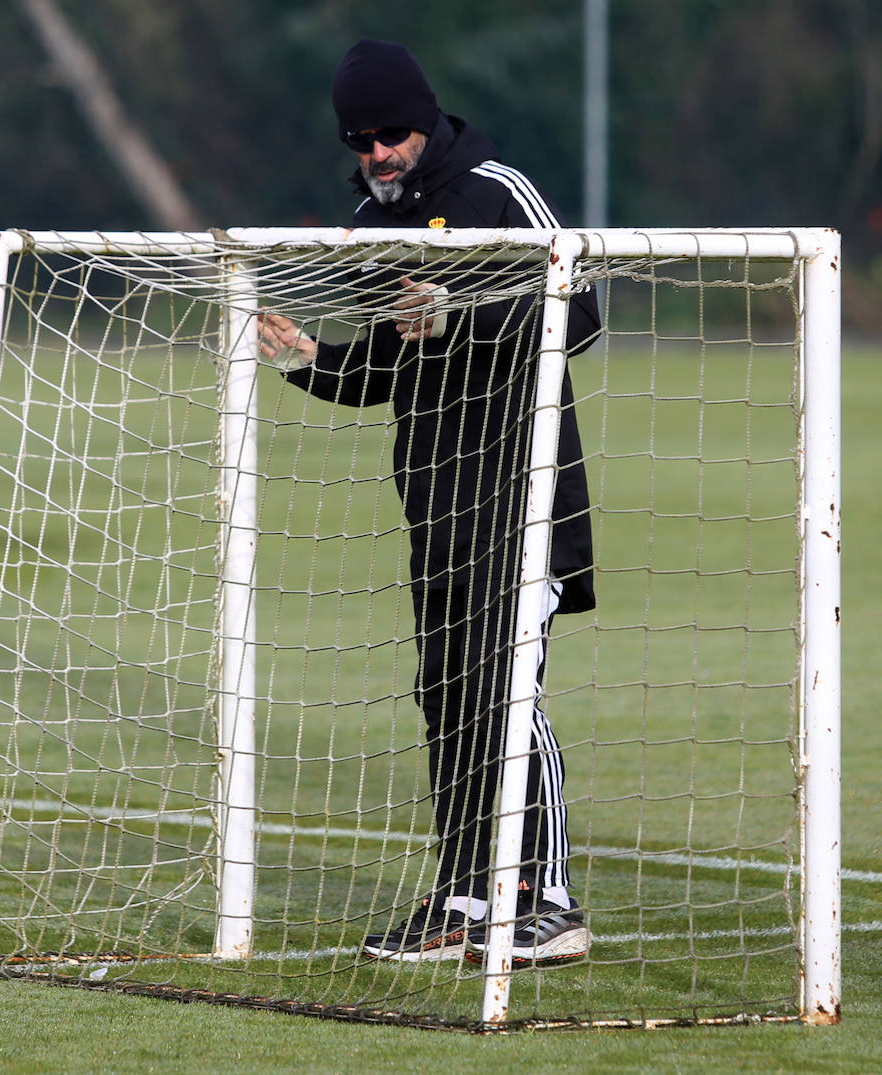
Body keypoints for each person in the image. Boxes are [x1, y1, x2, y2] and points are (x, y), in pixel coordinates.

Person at [258, 38, 600, 968]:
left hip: (524, 499)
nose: (378, 154)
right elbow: (383, 367)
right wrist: (305, 363)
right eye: (359, 140)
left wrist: (460, 311)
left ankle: (550, 898)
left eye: (392, 133)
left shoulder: (500, 191)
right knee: (447, 699)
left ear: (428, 118)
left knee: (503, 689)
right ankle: (463, 895)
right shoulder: (372, 223)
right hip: (437, 508)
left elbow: (586, 310)